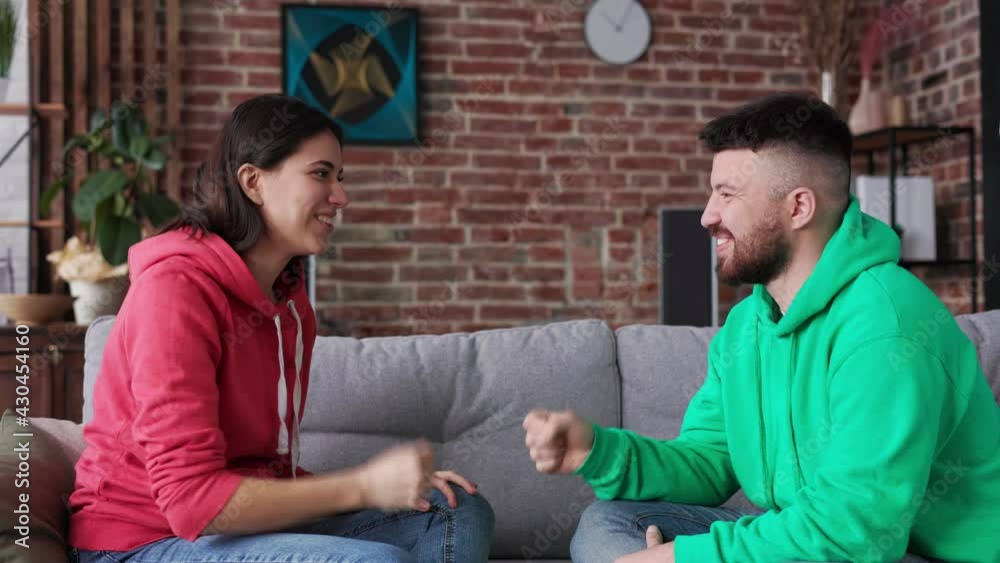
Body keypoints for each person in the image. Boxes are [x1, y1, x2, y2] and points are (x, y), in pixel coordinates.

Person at [523, 93, 1000, 563]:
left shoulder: (886, 325)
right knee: (607, 526)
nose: (708, 216)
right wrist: (598, 452)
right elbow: (710, 461)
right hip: (817, 540)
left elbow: (857, 535)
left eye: (727, 195)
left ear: (798, 208)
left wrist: (678, 559)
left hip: (908, 551)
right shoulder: (747, 325)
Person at [68, 94, 494, 563]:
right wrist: (363, 486)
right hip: (138, 542)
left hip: (234, 532)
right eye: (320, 173)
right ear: (253, 182)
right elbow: (192, 502)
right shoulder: (175, 291)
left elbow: (265, 471)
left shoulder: (287, 303)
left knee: (456, 509)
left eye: (340, 177)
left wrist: (388, 489)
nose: (341, 196)